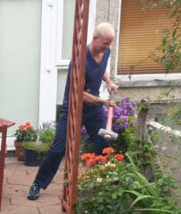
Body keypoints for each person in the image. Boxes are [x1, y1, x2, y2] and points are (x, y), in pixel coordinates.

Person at [27, 22, 119, 200]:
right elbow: (78, 93)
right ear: (95, 38)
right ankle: (37, 184)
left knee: (103, 145)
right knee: (58, 149)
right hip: (73, 108)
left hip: (93, 109)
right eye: (105, 43)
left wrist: (109, 82)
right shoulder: (79, 60)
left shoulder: (105, 52)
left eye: (110, 43)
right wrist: (103, 101)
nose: (108, 47)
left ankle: (106, 183)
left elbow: (102, 68)